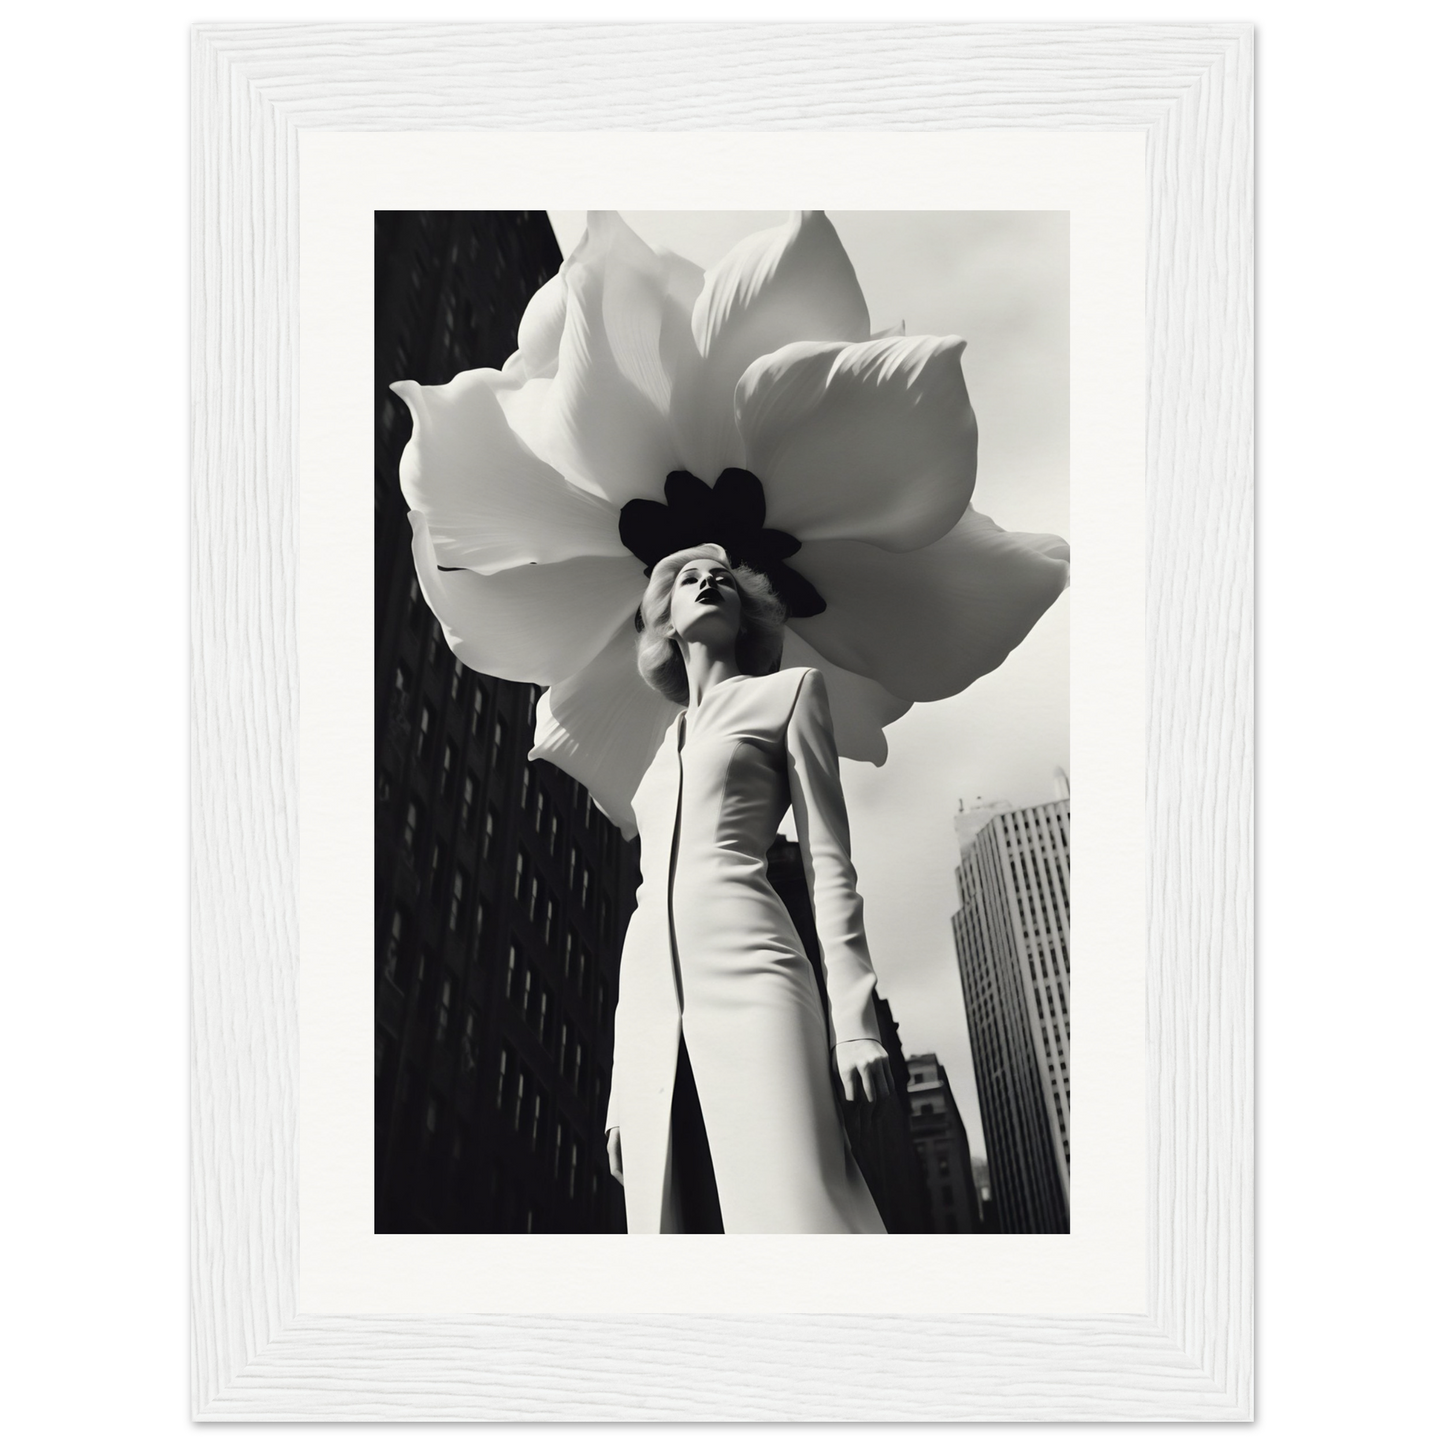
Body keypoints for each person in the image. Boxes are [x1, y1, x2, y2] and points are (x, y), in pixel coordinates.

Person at [603, 542, 894, 1233]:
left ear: (745, 617)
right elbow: (647, 904)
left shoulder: (789, 693)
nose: (707, 582)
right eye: (689, 580)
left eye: (723, 581)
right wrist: (622, 1084)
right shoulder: (656, 754)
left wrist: (853, 1021)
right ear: (665, 621)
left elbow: (829, 861)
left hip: (755, 971)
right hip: (650, 1004)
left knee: (797, 1204)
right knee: (677, 1225)